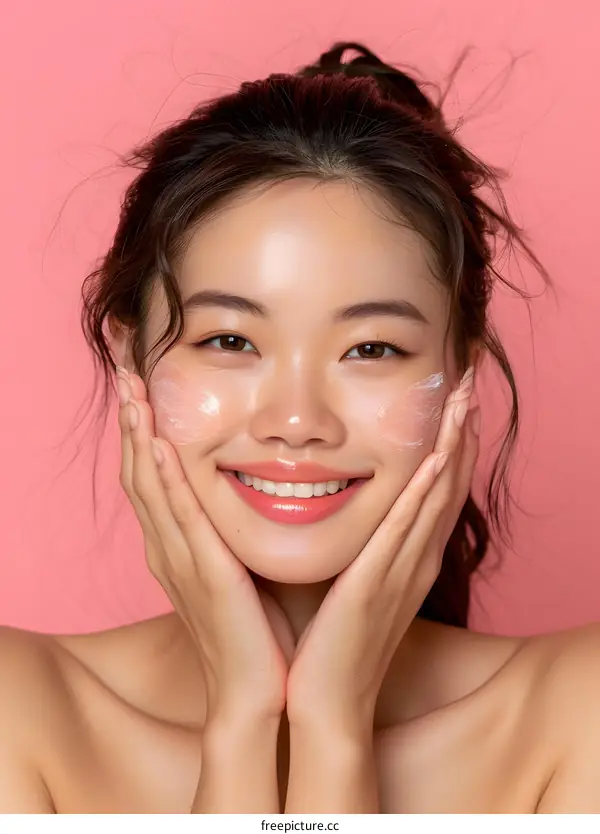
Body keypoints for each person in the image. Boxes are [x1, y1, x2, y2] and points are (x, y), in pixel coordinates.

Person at [1, 40, 599, 815]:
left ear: (462, 376)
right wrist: (245, 717)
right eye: (230, 341)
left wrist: (332, 725)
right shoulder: (20, 715)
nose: (297, 423)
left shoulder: (576, 719)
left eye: (371, 349)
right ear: (129, 359)